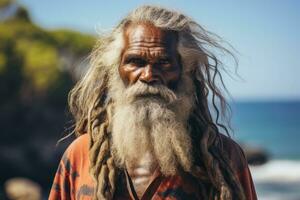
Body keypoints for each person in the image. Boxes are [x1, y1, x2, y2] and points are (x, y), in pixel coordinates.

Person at [49, 5, 257, 200]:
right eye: (135, 62)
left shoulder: (224, 159)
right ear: (116, 71)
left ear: (187, 72)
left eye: (164, 63)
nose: (149, 75)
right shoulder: (80, 155)